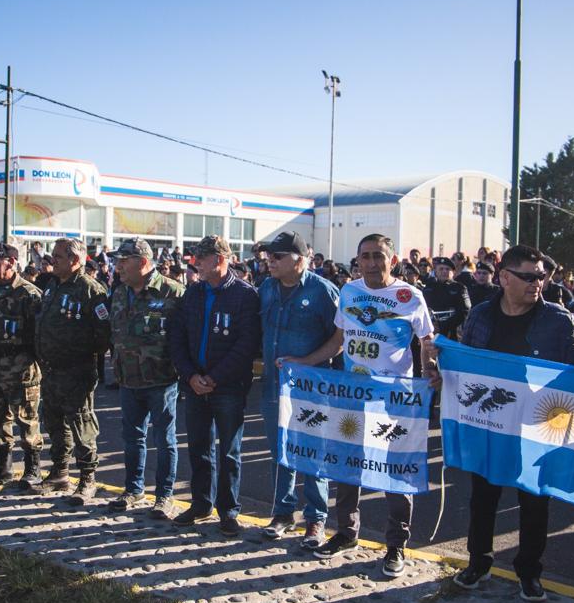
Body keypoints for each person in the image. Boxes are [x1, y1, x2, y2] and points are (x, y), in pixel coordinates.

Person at [451, 245, 574, 602]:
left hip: (537, 426)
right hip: (489, 423)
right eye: (529, 277)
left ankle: (529, 572)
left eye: (541, 276)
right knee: (483, 498)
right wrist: (443, 370)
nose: (537, 283)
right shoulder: (481, 314)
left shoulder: (558, 318)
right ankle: (478, 562)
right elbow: (466, 361)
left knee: (534, 502)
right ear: (504, 278)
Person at [293, 234, 435, 578]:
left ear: (393, 260)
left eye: (378, 256)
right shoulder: (350, 291)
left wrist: (430, 371)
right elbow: (338, 341)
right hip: (353, 394)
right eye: (365, 256)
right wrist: (305, 362)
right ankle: (346, 532)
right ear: (357, 260)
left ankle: (396, 544)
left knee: (395, 470)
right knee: (348, 464)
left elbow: (427, 340)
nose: (371, 263)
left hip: (394, 400)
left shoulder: (410, 296)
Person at [168, 235, 261, 536]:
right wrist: (190, 376)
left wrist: (215, 377)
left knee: (229, 452)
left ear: (219, 260)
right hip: (194, 385)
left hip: (228, 387)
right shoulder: (193, 293)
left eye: (201, 258)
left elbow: (246, 345)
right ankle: (200, 503)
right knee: (198, 447)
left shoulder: (245, 296)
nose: (195, 264)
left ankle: (228, 510)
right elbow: (177, 337)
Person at [259, 232, 337, 548]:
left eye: (278, 256)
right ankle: (282, 513)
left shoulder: (323, 291)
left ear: (300, 260)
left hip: (311, 389)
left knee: (312, 452)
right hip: (273, 387)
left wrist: (306, 362)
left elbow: (340, 338)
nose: (271, 261)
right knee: (281, 451)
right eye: (269, 256)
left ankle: (316, 518)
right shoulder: (266, 288)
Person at [107, 237, 185, 518]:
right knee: (132, 438)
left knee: (164, 440)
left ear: (142, 262)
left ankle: (164, 495)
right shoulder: (119, 292)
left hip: (160, 380)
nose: (118, 267)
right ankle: (133, 489)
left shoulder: (173, 292)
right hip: (128, 379)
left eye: (123, 261)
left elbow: (185, 337)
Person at [33, 237, 111, 504]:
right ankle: (60, 472)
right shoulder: (52, 285)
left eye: (58, 256)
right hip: (51, 370)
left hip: (76, 371)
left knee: (81, 424)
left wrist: (79, 354)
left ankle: (88, 478)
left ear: (75, 260)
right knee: (54, 422)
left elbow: (103, 335)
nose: (52, 260)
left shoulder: (90, 290)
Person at [0, 243, 45, 488]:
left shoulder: (29, 294)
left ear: (11, 263)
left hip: (20, 367)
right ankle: (2, 466)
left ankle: (32, 468)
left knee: (26, 418)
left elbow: (39, 336)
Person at [423, 256, 471, 341]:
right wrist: (430, 325)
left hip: (451, 333)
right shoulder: (428, 288)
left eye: (448, 269)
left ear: (453, 272)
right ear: (436, 271)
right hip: (430, 331)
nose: (444, 271)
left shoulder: (460, 288)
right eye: (441, 269)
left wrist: (442, 325)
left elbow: (465, 311)